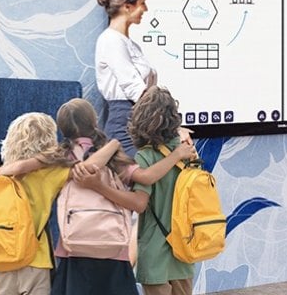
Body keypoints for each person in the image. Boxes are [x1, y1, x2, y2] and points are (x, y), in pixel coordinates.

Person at [0, 99, 196, 295]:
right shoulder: (115, 157)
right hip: (114, 251)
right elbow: (140, 197)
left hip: (73, 250)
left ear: (62, 129)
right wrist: (174, 154)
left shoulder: (59, 158)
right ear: (94, 122)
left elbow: (18, 167)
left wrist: (3, 171)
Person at [73, 86, 196, 295]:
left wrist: (99, 186)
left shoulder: (146, 156)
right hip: (183, 247)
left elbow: (139, 203)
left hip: (155, 251)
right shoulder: (187, 150)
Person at [0, 112, 121, 295]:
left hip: (3, 258)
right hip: (35, 259)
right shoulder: (48, 173)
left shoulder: (2, 175)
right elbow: (88, 168)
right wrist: (113, 145)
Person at [95, 0, 156, 158]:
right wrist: (173, 127)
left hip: (139, 124)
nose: (145, 9)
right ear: (127, 6)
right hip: (123, 127)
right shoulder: (110, 40)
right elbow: (134, 88)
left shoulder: (130, 44)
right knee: (145, 172)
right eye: (142, 3)